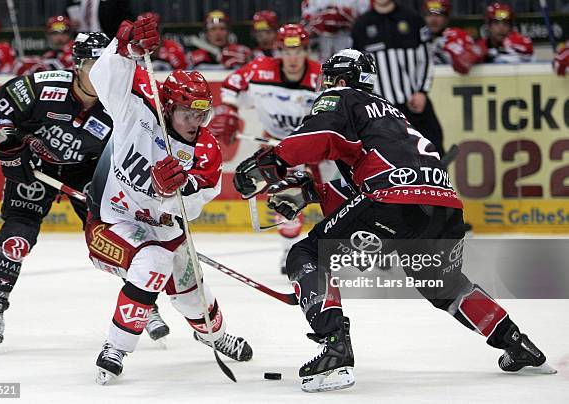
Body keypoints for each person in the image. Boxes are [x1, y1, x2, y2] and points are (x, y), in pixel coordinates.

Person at [233, 49, 555, 392]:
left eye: (328, 81)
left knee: (307, 255)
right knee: (444, 284)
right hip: (445, 206)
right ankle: (516, 343)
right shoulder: (391, 116)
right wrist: (314, 193)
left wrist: (271, 162)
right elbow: (371, 189)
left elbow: (321, 138)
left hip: (393, 200)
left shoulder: (342, 97)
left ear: (340, 80)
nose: (324, 88)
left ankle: (335, 348)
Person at [85, 16, 252, 384]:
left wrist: (172, 194)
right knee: (153, 262)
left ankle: (214, 336)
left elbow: (196, 204)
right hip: (110, 222)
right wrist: (123, 48)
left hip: (163, 229)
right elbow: (103, 76)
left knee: (195, 297)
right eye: (189, 113)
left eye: (202, 113)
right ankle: (116, 347)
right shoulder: (140, 103)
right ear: (170, 106)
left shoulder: (205, 150)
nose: (197, 121)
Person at [0, 32, 113, 354]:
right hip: (35, 165)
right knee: (16, 237)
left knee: (112, 236)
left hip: (87, 170)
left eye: (111, 66)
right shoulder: (42, 86)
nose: (105, 74)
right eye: (96, 65)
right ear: (78, 66)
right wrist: (9, 145)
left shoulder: (122, 102)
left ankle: (143, 303)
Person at [209, 23, 322, 274]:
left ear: (306, 51)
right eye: (286, 51)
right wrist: (229, 110)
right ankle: (290, 250)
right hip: (278, 142)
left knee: (335, 194)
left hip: (316, 142)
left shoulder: (319, 78)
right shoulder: (260, 70)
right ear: (278, 50)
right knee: (284, 196)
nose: (292, 58)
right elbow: (230, 85)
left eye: (298, 51)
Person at [352, 0, 445, 156]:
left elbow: (426, 58)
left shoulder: (413, 18)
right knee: (388, 159)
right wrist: (368, 100)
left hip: (414, 104)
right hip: (381, 109)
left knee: (434, 152)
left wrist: (422, 91)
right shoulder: (361, 25)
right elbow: (358, 67)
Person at [423, 0, 481, 74]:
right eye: (429, 14)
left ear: (446, 18)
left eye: (438, 15)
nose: (433, 20)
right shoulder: (417, 36)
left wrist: (448, 52)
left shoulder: (459, 36)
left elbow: (465, 67)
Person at [301, 0, 370, 63]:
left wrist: (347, 16)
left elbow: (368, 18)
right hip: (321, 42)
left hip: (348, 39)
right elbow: (306, 23)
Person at [66, 0, 134, 38]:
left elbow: (127, 18)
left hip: (108, 38)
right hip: (81, 38)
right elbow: (67, 13)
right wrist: (70, 23)